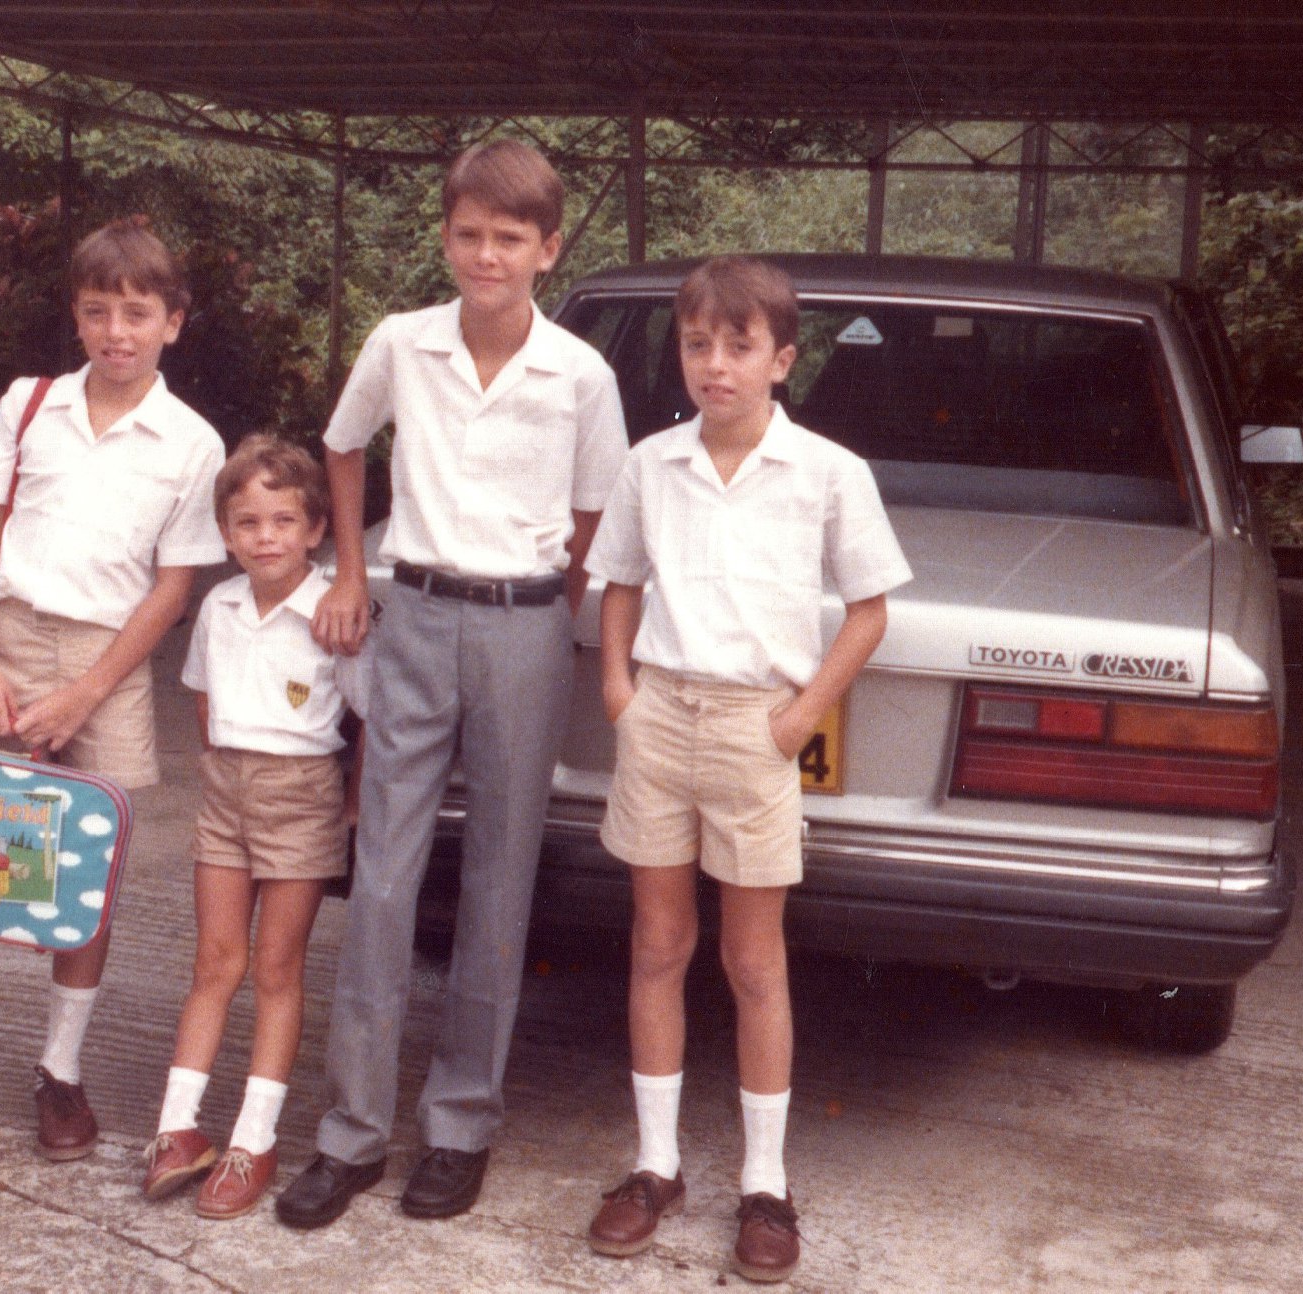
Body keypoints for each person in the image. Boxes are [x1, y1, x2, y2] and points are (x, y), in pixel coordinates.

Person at [274, 139, 629, 1230]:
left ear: (548, 248)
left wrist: (548, 615)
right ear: (446, 238)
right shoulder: (401, 342)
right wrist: (346, 567)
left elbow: (593, 517)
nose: (488, 254)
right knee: (382, 875)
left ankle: (462, 1122)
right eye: (470, 234)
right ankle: (350, 1134)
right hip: (413, 613)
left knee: (499, 881)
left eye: (510, 238)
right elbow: (341, 446)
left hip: (524, 626)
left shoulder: (580, 371)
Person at [580, 256, 911, 1282]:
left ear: (783, 359)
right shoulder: (651, 464)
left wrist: (797, 717)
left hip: (755, 727)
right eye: (696, 344)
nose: (714, 365)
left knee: (754, 961)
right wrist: (620, 694)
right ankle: (655, 1164)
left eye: (738, 346)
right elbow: (620, 581)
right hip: (661, 716)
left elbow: (870, 609)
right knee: (657, 946)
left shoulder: (825, 472)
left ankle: (765, 1184)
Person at [0, 219, 226, 1174]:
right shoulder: (30, 404)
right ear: (75, 317)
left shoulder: (193, 442)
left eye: (138, 312)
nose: (118, 330)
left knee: (85, 878)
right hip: (12, 642)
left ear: (174, 324)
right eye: (98, 310)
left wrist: (90, 693)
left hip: (109, 667)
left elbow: (173, 586)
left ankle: (60, 1071)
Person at [142, 435, 368, 1220]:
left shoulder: (335, 609)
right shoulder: (218, 606)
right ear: (227, 533)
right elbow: (204, 702)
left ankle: (255, 1136)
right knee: (215, 959)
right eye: (247, 523)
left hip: (303, 791)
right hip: (226, 789)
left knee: (277, 965)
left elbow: (368, 718)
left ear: (314, 530)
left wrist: (351, 801)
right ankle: (177, 1128)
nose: (265, 536)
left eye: (283, 520)